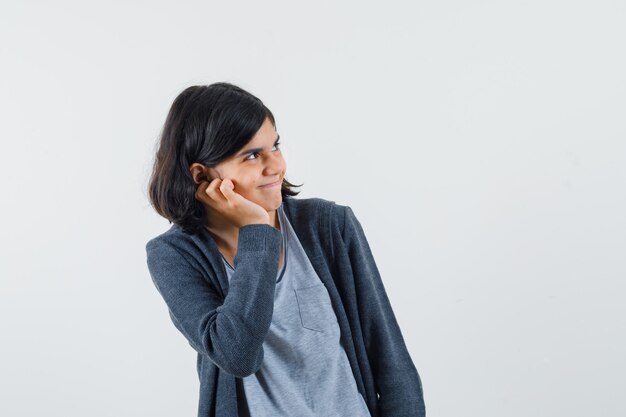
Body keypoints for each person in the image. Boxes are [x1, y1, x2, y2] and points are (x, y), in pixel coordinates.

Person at [145, 82, 426, 417]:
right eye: (251, 155)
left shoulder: (329, 226)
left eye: (274, 146)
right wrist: (257, 231)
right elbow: (237, 354)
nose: (275, 165)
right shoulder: (174, 256)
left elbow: (391, 361)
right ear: (201, 175)